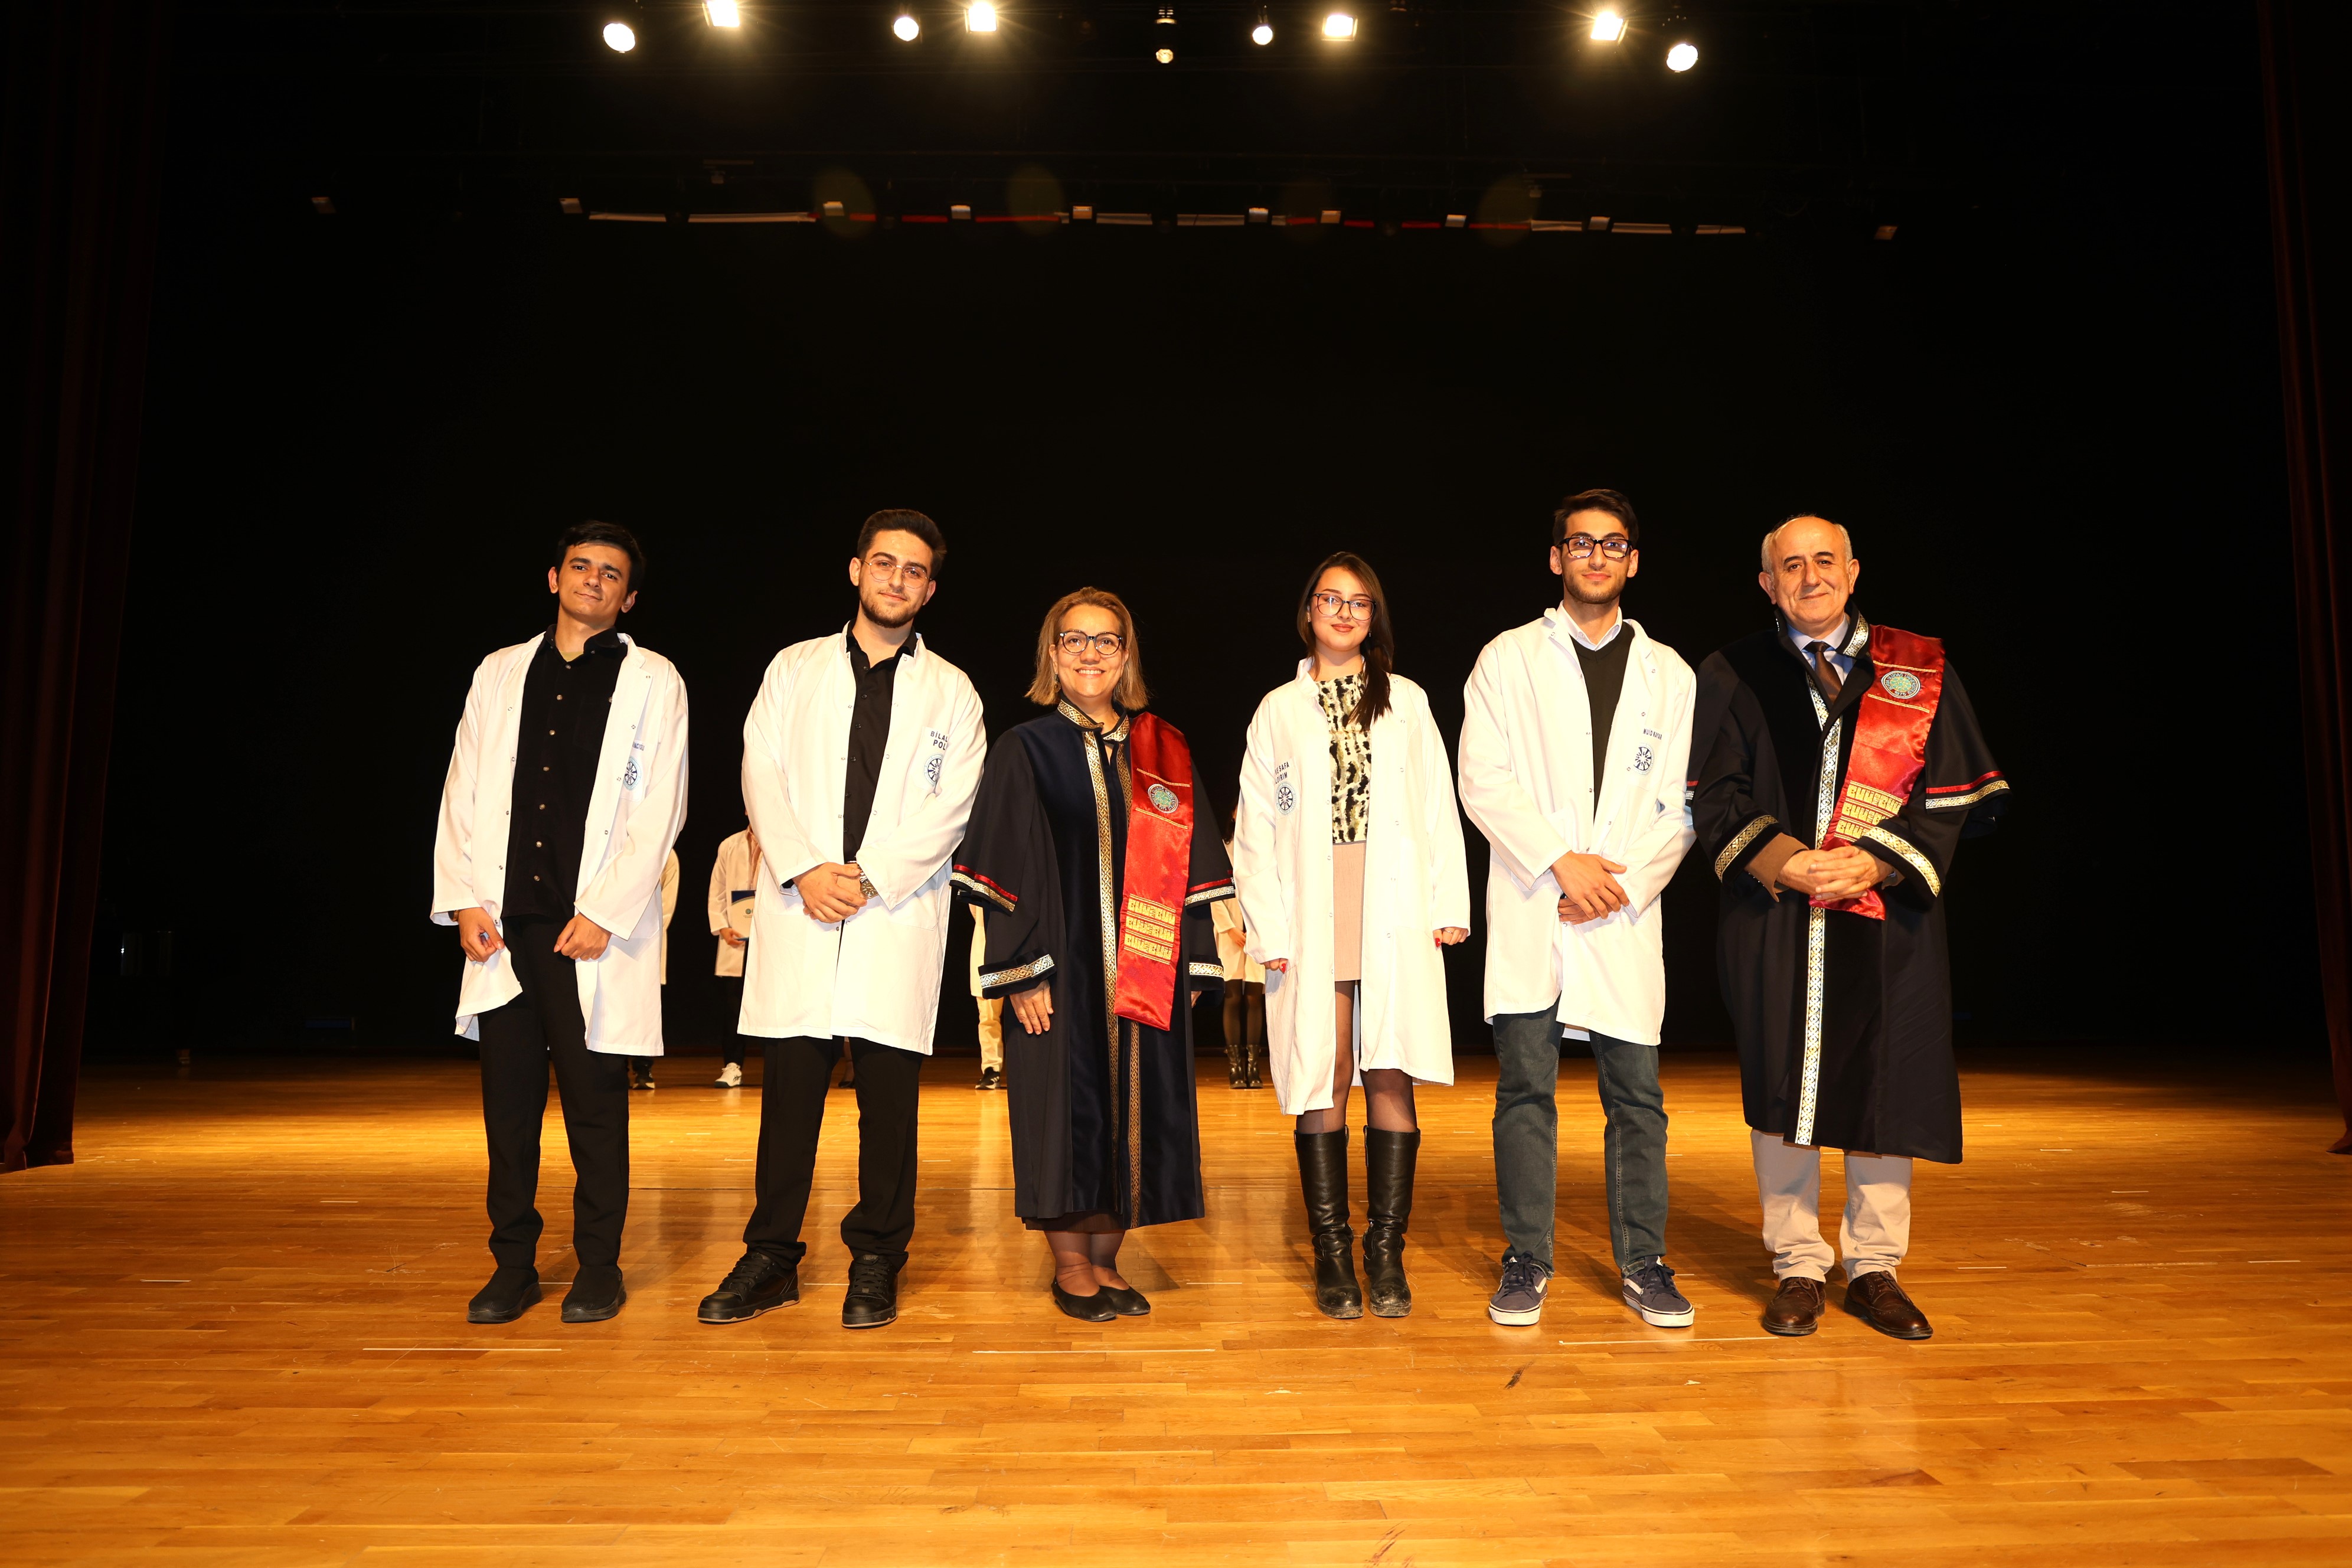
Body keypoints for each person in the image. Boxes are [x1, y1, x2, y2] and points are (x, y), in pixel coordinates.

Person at [1693, 514, 2008, 1341]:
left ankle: (1875, 1267)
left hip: (1887, 915)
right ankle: (1797, 1264)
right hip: (1777, 911)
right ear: (1768, 584)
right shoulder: (1733, 671)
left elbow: (1949, 796)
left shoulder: (1918, 668)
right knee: (1782, 1081)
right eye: (1791, 565)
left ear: (1854, 570)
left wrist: (1877, 861)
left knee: (1886, 1080)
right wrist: (1785, 861)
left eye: (1824, 560)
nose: (1810, 577)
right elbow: (1713, 798)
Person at [696, 510, 985, 1331]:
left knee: (889, 1106)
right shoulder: (795, 669)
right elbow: (761, 769)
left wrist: (870, 877)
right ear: (856, 570)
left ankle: (878, 1256)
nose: (897, 579)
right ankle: (771, 1256)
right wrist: (803, 868)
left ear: (930, 590)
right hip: (802, 905)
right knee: (789, 1101)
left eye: (914, 570)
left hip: (892, 911)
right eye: (884, 563)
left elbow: (953, 803)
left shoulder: (953, 691)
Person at [430, 520, 690, 1326]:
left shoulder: (654, 680)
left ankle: (598, 1267)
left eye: (611, 574)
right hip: (505, 928)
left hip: (588, 933)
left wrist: (605, 912)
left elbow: (661, 807)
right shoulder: (500, 671)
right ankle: (512, 1266)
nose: (593, 581)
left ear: (629, 597)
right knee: (508, 1112)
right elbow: (464, 787)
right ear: (554, 579)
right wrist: (465, 898)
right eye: (581, 566)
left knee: (595, 1107)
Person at [952, 587, 1233, 1322]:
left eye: (1106, 640)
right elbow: (1000, 872)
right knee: (1063, 1109)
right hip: (1060, 972)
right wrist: (1021, 971)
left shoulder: (1164, 750)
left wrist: (1192, 961)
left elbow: (1195, 869)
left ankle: (1106, 1260)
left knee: (1139, 1108)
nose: (1090, 654)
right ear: (1052, 655)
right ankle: (1071, 1264)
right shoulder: (1025, 749)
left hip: (1147, 969)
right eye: (1074, 640)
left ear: (1126, 655)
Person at [1457, 489, 1698, 1331]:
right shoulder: (1507, 659)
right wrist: (1563, 863)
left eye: (1613, 544)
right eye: (1581, 543)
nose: (1597, 557)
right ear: (1557, 557)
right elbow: (1482, 779)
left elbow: (1684, 804)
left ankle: (1644, 1261)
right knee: (1525, 1088)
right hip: (1537, 899)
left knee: (1637, 1096)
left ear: (1633, 561)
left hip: (1623, 910)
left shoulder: (1672, 675)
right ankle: (1526, 1256)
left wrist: (1618, 885)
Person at [1233, 553, 1471, 1318]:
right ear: (1309, 611)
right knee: (1326, 1067)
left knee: (1391, 1068)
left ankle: (1385, 1252)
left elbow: (1437, 802)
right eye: (1330, 599)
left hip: (1392, 898)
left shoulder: (1407, 699)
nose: (1343, 612)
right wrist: (1266, 922)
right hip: (1314, 900)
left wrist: (1448, 901)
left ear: (1374, 617)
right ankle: (1333, 1252)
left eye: (1359, 602)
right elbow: (1255, 825)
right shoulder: (1278, 709)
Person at [1210, 830, 1266, 1090]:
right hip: (1230, 934)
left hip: (1258, 932)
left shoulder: (1263, 845)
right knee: (1233, 997)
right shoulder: (1221, 850)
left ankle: (1254, 1067)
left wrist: (1259, 929)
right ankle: (1235, 1068)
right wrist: (1230, 929)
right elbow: (1212, 893)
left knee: (1254, 998)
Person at [706, 823, 758, 1088]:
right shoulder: (730, 845)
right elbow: (717, 890)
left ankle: (779, 1065)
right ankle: (733, 1065)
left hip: (771, 937)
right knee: (733, 1005)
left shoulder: (781, 840)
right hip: (736, 935)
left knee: (775, 1002)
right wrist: (722, 926)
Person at [632, 850, 681, 1090]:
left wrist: (645, 931)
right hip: (608, 937)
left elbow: (667, 904)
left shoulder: (667, 854)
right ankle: (614, 1068)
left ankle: (643, 1068)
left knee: (644, 1005)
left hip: (647, 938)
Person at [969, 906, 1005, 1090]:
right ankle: (992, 1068)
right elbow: (975, 910)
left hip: (1016, 943)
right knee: (988, 1014)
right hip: (986, 943)